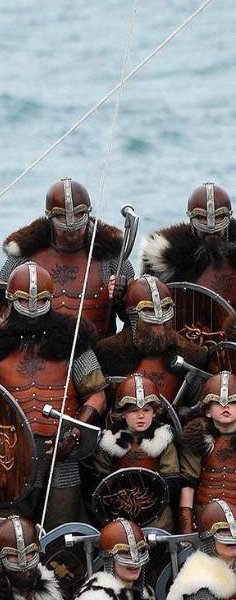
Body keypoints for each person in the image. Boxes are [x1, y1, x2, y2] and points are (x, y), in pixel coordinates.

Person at [0, 261, 107, 529]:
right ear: (10, 300)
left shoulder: (71, 341)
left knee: (61, 536)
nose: (32, 309)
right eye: (24, 301)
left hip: (61, 455)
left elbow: (97, 394)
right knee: (6, 534)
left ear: (50, 300)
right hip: (7, 458)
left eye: (40, 301)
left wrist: (74, 433)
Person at [0, 178, 132, 338]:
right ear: (50, 216)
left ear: (87, 213)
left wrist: (122, 295)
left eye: (79, 215)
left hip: (97, 349)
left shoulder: (111, 257)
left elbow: (134, 319)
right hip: (38, 349)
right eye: (62, 217)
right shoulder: (25, 255)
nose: (72, 227)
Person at [94, 275, 208, 404]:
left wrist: (188, 412)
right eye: (148, 310)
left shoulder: (191, 356)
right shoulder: (108, 354)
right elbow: (100, 400)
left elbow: (198, 403)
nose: (158, 320)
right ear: (134, 315)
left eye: (164, 308)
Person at [94, 373, 179, 530]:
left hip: (157, 511)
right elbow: (101, 479)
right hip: (119, 510)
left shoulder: (162, 438)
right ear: (123, 413)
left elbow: (171, 478)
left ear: (154, 412)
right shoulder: (111, 439)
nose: (141, 416)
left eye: (146, 410)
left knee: (161, 531)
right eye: (134, 411)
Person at [141, 182, 236, 307]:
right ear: (191, 218)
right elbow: (142, 300)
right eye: (201, 217)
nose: (211, 227)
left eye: (219, 217)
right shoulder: (167, 256)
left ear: (228, 216)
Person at [179, 371, 236, 534]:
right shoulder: (198, 438)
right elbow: (188, 487)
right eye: (218, 402)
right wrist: (187, 531)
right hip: (204, 519)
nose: (225, 406)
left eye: (232, 402)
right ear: (207, 411)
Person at [166, 498, 236, 600]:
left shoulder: (231, 565)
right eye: (224, 532)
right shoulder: (201, 586)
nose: (232, 537)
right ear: (209, 540)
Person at [75, 518, 154, 600]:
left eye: (139, 551)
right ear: (109, 558)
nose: (135, 561)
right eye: (125, 553)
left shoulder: (145, 593)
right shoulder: (95, 596)